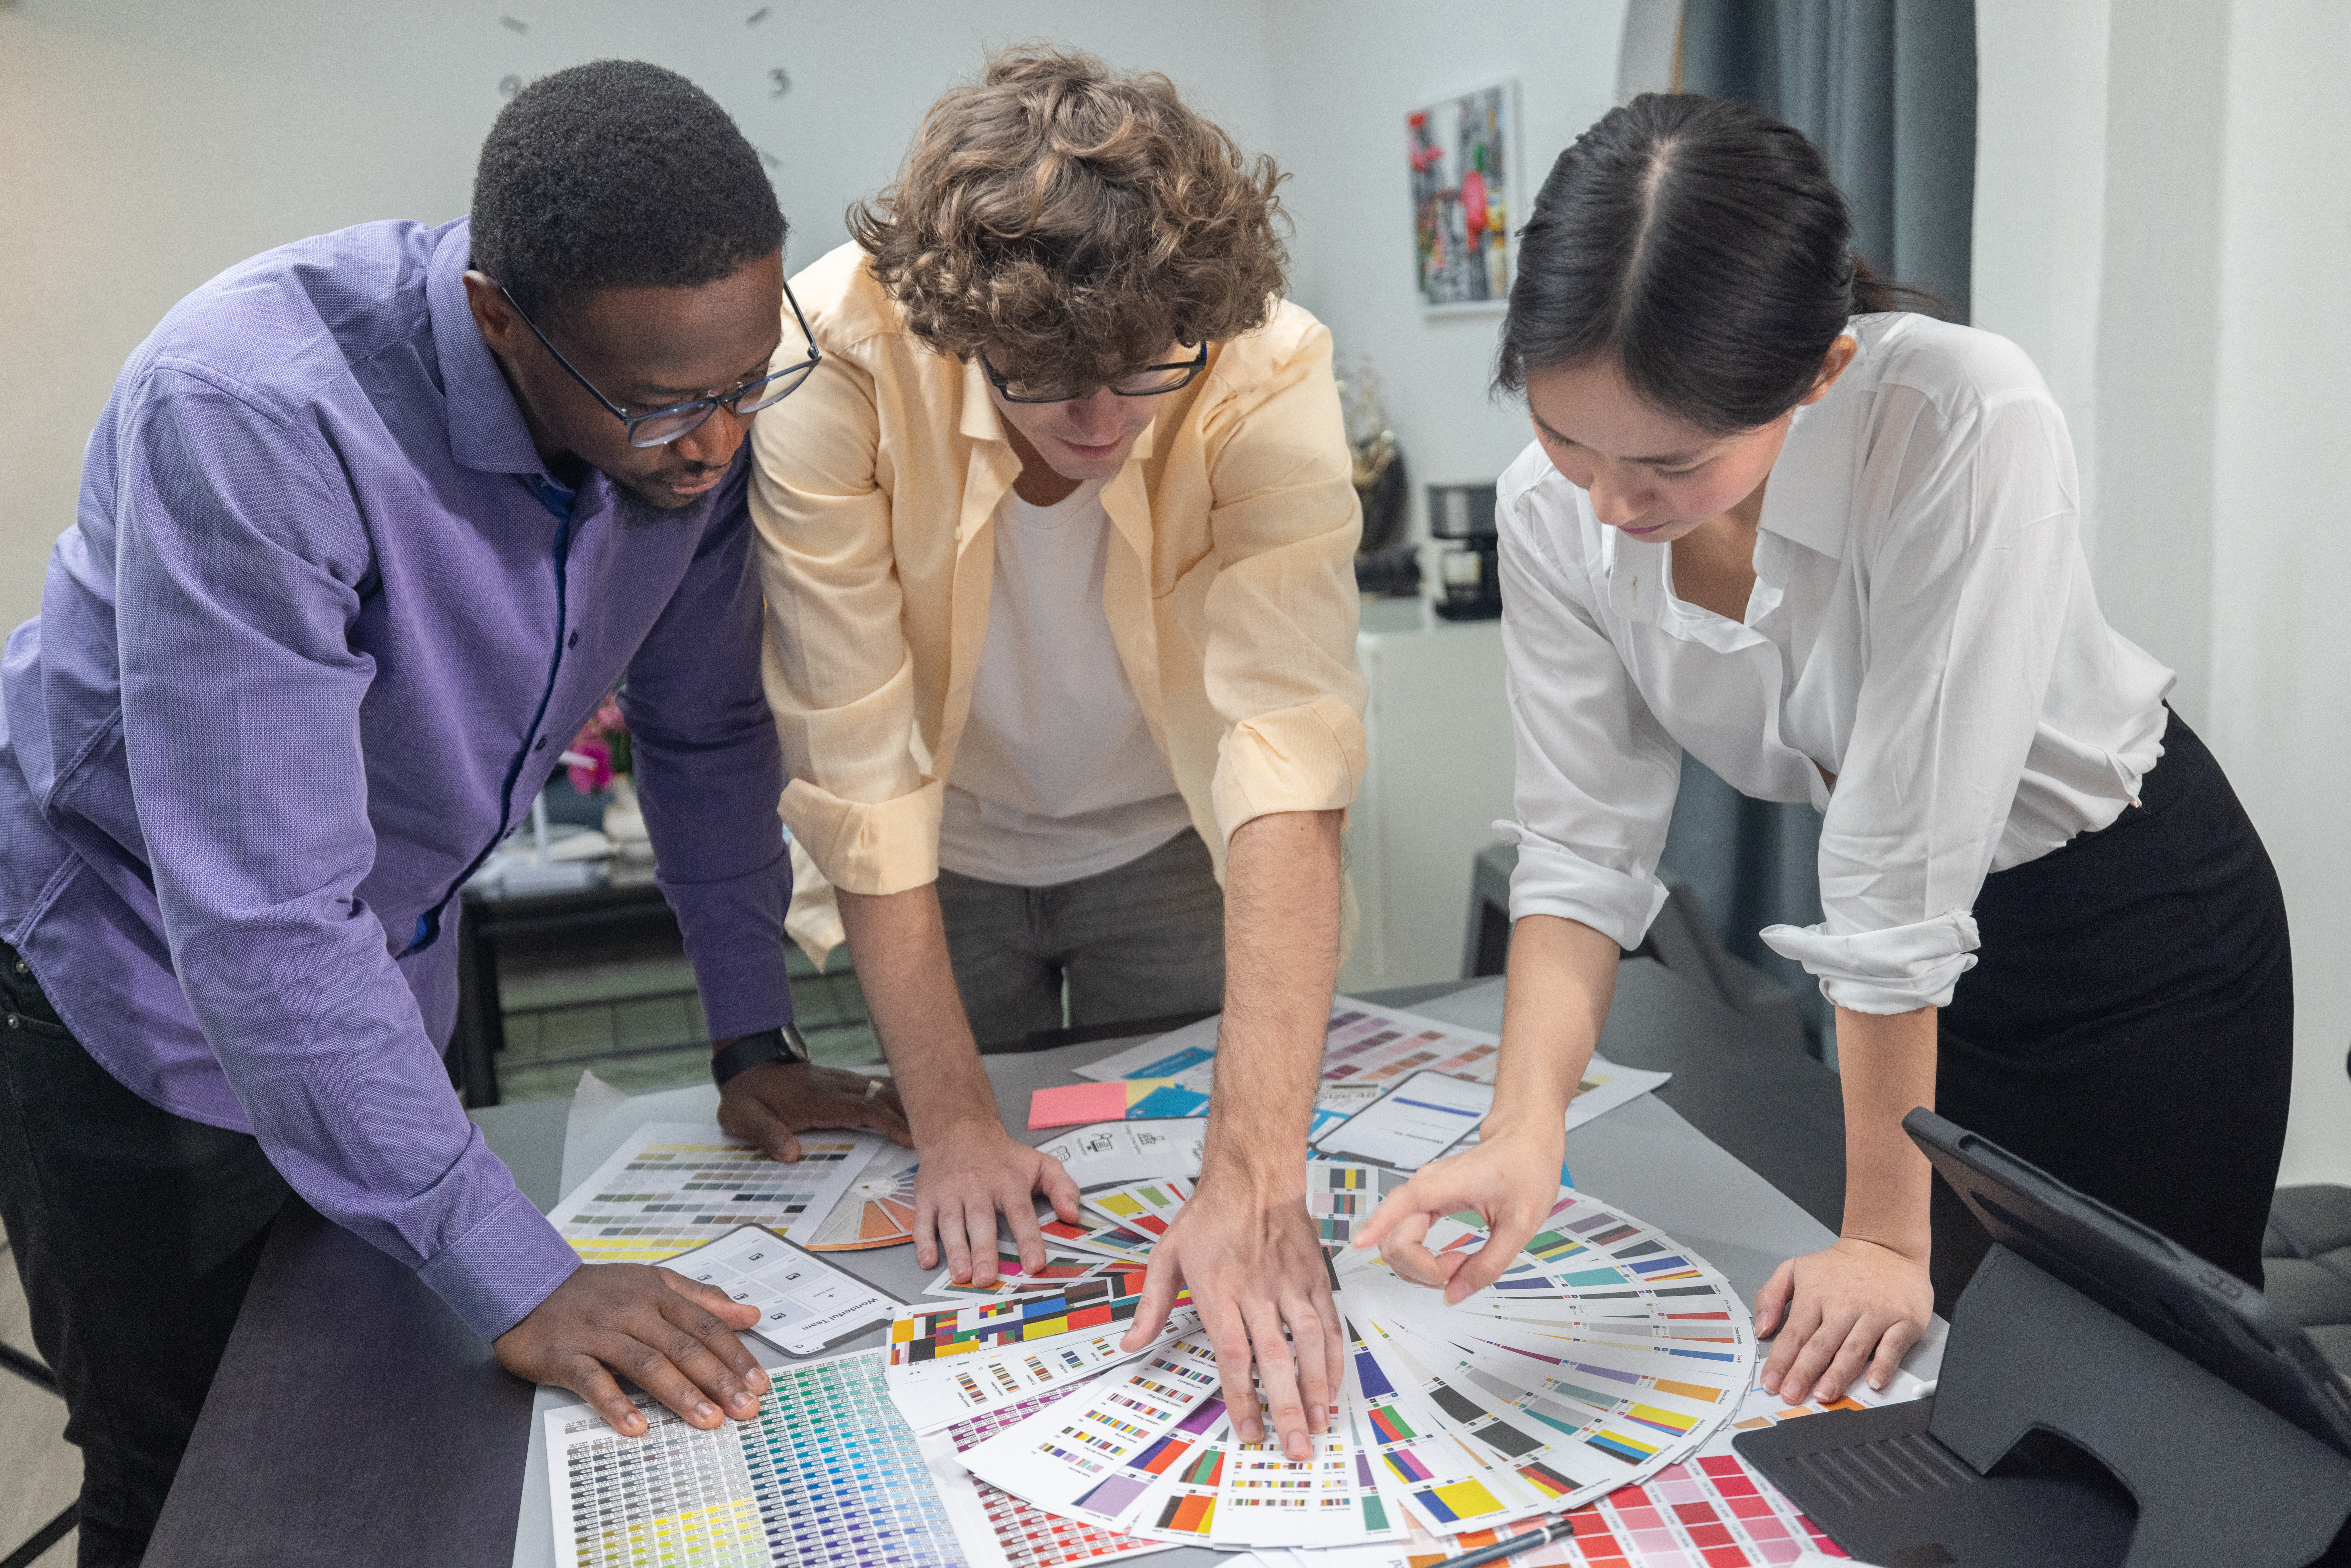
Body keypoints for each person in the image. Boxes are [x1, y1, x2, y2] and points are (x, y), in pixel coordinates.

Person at [0, 62, 912, 1566]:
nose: (718, 443)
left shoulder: (703, 416)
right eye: (667, 402)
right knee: (204, 1476)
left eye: (752, 382)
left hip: (368, 977)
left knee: (394, 1425)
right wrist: (519, 1269)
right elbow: (264, 914)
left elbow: (704, 728)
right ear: (501, 321)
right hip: (132, 999)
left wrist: (754, 1034)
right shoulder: (250, 411)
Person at [1354, 94, 2292, 1410]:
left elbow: (1896, 879)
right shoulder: (1549, 512)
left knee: (2158, 1407)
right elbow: (1576, 853)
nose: (1612, 507)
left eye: (1670, 464)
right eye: (1567, 437)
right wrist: (1524, 1130)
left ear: (1817, 374)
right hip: (1899, 985)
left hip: (2124, 933)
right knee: (1946, 1399)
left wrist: (1880, 1238)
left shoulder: (1959, 418)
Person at [751, 46, 1366, 1459]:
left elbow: (1288, 747)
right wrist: (956, 1121)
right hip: (937, 859)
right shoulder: (833, 357)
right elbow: (856, 767)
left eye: (1142, 373)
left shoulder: (1262, 356)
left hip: (1161, 844)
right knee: (975, 1205)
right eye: (1044, 380)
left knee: (1203, 1169)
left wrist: (1256, 1181)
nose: (1101, 425)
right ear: (960, 328)